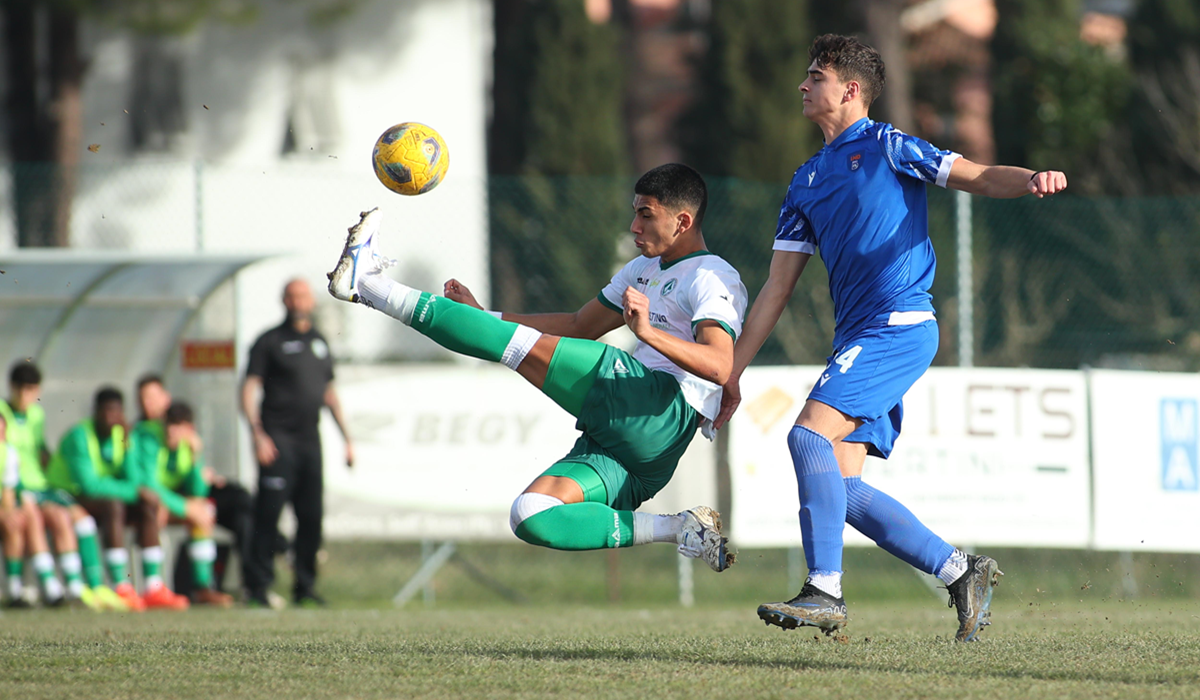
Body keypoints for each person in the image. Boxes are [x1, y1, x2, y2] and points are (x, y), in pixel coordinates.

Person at [714, 35, 1069, 642]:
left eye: (814, 76)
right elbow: (776, 289)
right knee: (844, 489)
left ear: (849, 90)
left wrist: (1030, 178)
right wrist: (732, 374)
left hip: (898, 326)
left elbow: (978, 176)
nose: (802, 86)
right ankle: (961, 572)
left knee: (806, 436)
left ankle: (824, 589)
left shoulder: (887, 145)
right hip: (858, 337)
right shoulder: (803, 183)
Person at [326, 163, 744, 569]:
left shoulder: (710, 275)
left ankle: (367, 285)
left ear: (683, 221)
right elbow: (579, 326)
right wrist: (483, 317)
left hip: (659, 408)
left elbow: (719, 365)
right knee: (532, 513)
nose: (634, 226)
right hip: (637, 447)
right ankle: (680, 529)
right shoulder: (642, 269)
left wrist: (649, 335)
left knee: (511, 350)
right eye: (635, 212)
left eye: (645, 214)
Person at [241, 279, 354, 608]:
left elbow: (329, 393)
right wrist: (257, 433)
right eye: (292, 296)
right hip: (277, 442)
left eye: (303, 295)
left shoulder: (319, 342)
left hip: (309, 442)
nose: (298, 301)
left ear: (312, 301)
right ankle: (258, 588)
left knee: (311, 517)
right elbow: (249, 388)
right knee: (268, 514)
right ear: (284, 300)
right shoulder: (269, 341)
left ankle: (305, 588)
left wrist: (347, 439)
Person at [46, 386, 189, 611]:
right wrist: (135, 491)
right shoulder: (79, 436)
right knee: (115, 505)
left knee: (146, 506)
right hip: (68, 496)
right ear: (96, 411)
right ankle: (120, 586)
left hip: (105, 498)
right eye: (106, 411)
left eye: (116, 411)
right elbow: (90, 486)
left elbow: (133, 479)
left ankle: (153, 587)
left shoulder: (122, 435)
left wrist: (128, 443)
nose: (111, 417)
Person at [2, 361, 111, 611]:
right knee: (35, 518)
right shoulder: (2, 412)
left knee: (77, 519)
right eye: (20, 388)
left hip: (41, 486)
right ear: (11, 387)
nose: (25, 395)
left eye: (31, 389)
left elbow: (40, 452)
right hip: (14, 488)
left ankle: (85, 588)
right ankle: (50, 587)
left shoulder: (36, 415)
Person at [130, 389, 235, 607]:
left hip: (167, 504)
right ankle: (153, 588)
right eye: (170, 425)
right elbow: (149, 485)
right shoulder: (149, 441)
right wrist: (183, 506)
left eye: (178, 427)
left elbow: (198, 492)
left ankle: (203, 588)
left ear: (190, 429)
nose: (172, 432)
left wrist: (197, 457)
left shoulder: (190, 447)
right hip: (140, 503)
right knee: (157, 507)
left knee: (204, 509)